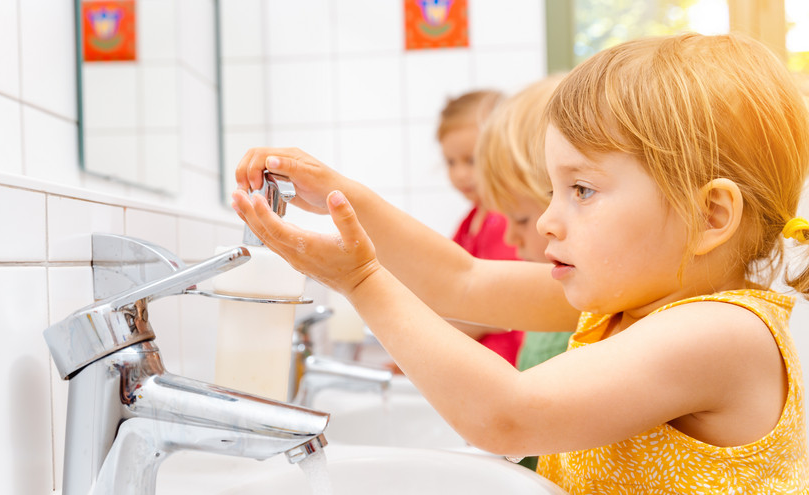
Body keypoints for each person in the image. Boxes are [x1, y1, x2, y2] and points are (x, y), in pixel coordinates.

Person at [231, 32, 809, 493]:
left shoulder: (723, 332)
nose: (550, 220)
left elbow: (506, 415)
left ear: (710, 216)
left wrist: (359, 280)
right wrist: (341, 195)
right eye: (553, 192)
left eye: (581, 190)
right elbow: (462, 279)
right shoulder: (625, 303)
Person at [473, 74, 573, 471]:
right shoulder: (562, 291)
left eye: (519, 218)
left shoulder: (588, 301)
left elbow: (462, 280)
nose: (512, 238)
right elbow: (460, 279)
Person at [436, 89, 525, 367]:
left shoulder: (506, 219)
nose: (460, 174)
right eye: (451, 162)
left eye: (470, 160)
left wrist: (437, 334)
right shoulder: (471, 219)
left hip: (508, 363)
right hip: (482, 363)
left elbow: (505, 307)